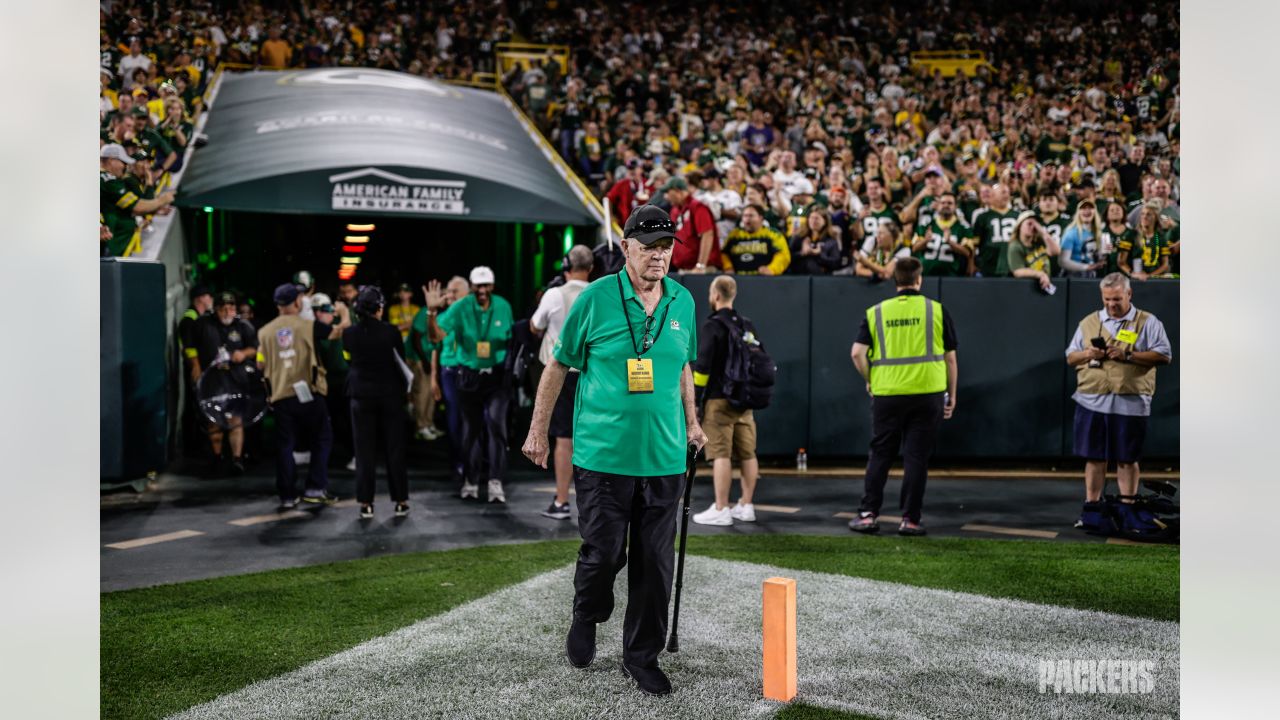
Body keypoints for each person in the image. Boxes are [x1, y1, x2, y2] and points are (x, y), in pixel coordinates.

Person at [522, 203, 705, 696]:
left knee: (655, 563)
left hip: (665, 457)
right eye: (649, 248)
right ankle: (588, 611)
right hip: (603, 457)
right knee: (604, 554)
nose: (659, 258)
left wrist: (693, 422)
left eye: (667, 249)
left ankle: (639, 656)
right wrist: (539, 430)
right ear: (625, 248)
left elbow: (683, 366)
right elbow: (558, 366)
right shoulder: (596, 299)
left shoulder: (683, 303)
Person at [848, 257, 958, 536]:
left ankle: (868, 514)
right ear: (919, 280)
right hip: (928, 393)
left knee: (881, 454)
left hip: (888, 394)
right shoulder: (936, 310)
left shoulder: (876, 312)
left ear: (894, 280)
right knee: (916, 458)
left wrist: (871, 380)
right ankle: (910, 519)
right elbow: (951, 359)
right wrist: (951, 395)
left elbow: (856, 353)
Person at [1064, 273, 1172, 536]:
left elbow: (1164, 355)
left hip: (1131, 400)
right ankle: (1091, 508)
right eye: (1107, 299)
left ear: (1129, 295)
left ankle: (1128, 509)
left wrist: (1129, 355)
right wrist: (1089, 353)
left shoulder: (1148, 322)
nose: (1112, 304)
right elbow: (1070, 357)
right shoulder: (1089, 322)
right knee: (1095, 457)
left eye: (1117, 299)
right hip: (1092, 398)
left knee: (1127, 458)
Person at [424, 267, 514, 503]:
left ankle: (495, 482)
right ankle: (471, 480)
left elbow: (511, 337)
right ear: (472, 287)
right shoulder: (461, 307)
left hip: (495, 377)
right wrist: (432, 312)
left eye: (486, 286)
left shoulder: (503, 306)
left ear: (492, 286)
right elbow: (435, 337)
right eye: (478, 286)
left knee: (496, 426)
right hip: (469, 376)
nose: (482, 291)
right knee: (471, 429)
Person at [257, 283, 340, 510]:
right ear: (296, 302)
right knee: (322, 437)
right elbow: (334, 333)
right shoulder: (308, 325)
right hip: (309, 392)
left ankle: (287, 494)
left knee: (285, 444)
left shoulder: (264, 332)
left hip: (281, 394)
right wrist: (343, 314)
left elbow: (260, 363)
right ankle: (314, 487)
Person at [529, 245, 594, 520]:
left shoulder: (555, 294)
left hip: (563, 374)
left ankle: (561, 501)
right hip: (593, 374)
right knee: (591, 437)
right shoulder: (599, 293)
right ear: (591, 267)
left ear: (566, 265)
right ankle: (592, 502)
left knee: (564, 439)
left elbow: (535, 325)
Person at [691, 275, 760, 526]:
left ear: (716, 295)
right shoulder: (747, 324)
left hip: (719, 400)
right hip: (745, 401)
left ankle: (721, 509)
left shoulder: (713, 326)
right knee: (748, 453)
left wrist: (696, 400)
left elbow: (703, 367)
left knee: (721, 454)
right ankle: (747, 505)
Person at [343, 286, 412, 519]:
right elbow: (400, 361)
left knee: (364, 451)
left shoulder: (349, 334)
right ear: (379, 308)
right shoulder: (391, 332)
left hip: (361, 395)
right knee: (394, 449)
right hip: (389, 394)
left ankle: (366, 503)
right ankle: (401, 500)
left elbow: (348, 360)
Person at [192, 293, 259, 475]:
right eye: (223, 307)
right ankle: (216, 457)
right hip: (212, 381)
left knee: (235, 420)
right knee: (213, 421)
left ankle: (237, 459)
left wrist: (243, 353)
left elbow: (255, 348)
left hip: (235, 380)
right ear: (216, 308)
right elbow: (190, 347)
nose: (227, 311)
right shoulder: (203, 324)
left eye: (231, 307)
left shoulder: (243, 326)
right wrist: (195, 367)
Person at [423, 276, 471, 488]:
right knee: (453, 417)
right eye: (448, 291)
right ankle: (457, 462)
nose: (450, 295)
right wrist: (434, 378)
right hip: (449, 372)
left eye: (455, 291)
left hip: (469, 370)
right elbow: (435, 346)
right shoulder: (443, 317)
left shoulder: (472, 315)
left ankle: (474, 462)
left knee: (470, 417)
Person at [99, 144, 173, 257]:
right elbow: (138, 207)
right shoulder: (110, 179)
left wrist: (154, 209)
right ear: (111, 160)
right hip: (111, 243)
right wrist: (162, 200)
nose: (125, 166)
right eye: (123, 162)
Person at [311, 293, 355, 470]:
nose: (319, 314)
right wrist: (344, 314)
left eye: (323, 310)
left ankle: (355, 454)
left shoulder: (340, 326)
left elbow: (348, 329)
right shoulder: (317, 330)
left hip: (345, 379)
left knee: (349, 420)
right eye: (315, 311)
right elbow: (340, 330)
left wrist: (343, 313)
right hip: (327, 381)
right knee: (333, 422)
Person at [390, 283, 436, 440]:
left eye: (407, 291)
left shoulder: (417, 309)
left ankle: (425, 422)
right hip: (401, 350)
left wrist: (405, 325)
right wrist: (407, 325)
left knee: (423, 387)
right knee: (412, 384)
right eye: (401, 291)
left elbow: (409, 327)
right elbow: (395, 327)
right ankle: (418, 420)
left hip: (415, 350)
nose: (404, 294)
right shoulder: (394, 309)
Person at [909, 192, 973, 277]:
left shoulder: (963, 227)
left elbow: (967, 252)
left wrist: (950, 242)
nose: (946, 205)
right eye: (943, 203)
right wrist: (926, 241)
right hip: (926, 275)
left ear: (955, 206)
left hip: (951, 276)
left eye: (949, 203)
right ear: (938, 205)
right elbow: (914, 248)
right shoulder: (926, 224)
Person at [664, 176, 720, 273]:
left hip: (701, 270)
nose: (666, 197)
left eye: (668, 192)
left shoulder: (697, 207)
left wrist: (701, 265)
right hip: (683, 269)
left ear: (677, 191)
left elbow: (707, 234)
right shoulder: (675, 210)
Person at [1007, 210, 1061, 292]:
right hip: (1026, 288)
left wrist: (1042, 232)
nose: (1033, 227)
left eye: (1035, 225)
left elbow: (1055, 251)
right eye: (1029, 224)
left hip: (1045, 284)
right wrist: (1040, 274)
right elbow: (1018, 271)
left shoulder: (1039, 241)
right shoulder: (1015, 246)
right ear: (1019, 226)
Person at [1059, 199, 1109, 278]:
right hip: (1074, 277)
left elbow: (1100, 259)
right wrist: (1087, 267)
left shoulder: (1100, 232)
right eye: (1083, 208)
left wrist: (1106, 253)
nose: (1087, 210)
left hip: (1093, 276)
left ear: (1095, 212)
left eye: (1090, 208)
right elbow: (1063, 261)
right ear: (1078, 213)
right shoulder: (1071, 233)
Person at [788, 206, 842, 275]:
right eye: (811, 218)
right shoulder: (799, 237)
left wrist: (819, 255)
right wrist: (802, 253)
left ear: (825, 221)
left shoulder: (831, 241)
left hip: (821, 279)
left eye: (817, 218)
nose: (813, 221)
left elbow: (836, 263)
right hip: (799, 277)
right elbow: (789, 258)